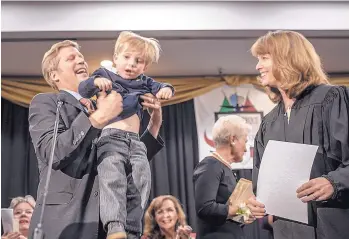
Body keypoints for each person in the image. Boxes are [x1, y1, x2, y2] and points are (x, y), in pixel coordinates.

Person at [28, 40, 165, 239]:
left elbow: (125, 156)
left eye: (81, 57)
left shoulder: (104, 102)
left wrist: (154, 123)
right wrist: (99, 117)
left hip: (106, 226)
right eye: (71, 58)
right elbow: (53, 153)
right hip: (67, 222)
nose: (81, 61)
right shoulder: (47, 102)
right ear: (54, 75)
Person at [247, 30, 349, 239]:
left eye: (264, 58)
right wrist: (255, 202)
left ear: (288, 59)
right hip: (286, 231)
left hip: (333, 227)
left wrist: (334, 182)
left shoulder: (331, 100)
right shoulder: (268, 123)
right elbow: (261, 184)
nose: (258, 66)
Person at [77, 31, 174, 239]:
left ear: (145, 67)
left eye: (138, 61)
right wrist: (95, 83)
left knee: (140, 181)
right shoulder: (105, 75)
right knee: (112, 178)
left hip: (136, 143)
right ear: (115, 58)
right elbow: (83, 88)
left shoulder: (144, 82)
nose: (131, 64)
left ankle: (132, 231)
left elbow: (163, 86)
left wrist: (166, 90)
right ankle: (114, 226)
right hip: (110, 139)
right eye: (127, 57)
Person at [193, 115, 255, 239]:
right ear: (233, 139)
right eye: (245, 141)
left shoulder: (224, 167)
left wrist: (247, 213)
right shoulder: (210, 164)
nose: (246, 149)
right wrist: (239, 209)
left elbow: (230, 214)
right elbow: (205, 208)